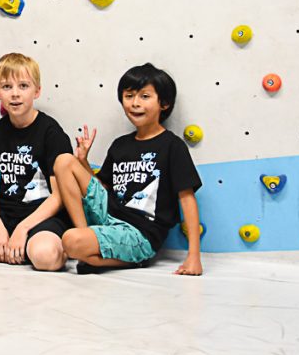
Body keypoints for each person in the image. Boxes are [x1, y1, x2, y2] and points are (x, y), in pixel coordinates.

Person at [53, 63, 204, 275]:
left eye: (144, 96)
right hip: (108, 216)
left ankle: (120, 256)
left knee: (70, 241)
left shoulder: (172, 146)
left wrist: (194, 257)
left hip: (140, 233)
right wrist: (83, 161)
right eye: (129, 96)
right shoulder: (120, 145)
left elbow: (187, 199)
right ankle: (85, 236)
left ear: (164, 103)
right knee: (63, 161)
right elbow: (100, 189)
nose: (135, 103)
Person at [0, 54, 72, 271]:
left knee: (45, 256)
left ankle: (28, 246)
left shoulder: (51, 132)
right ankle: (7, 246)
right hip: (6, 212)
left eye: (23, 86)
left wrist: (24, 228)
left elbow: (59, 196)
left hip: (42, 214)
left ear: (37, 91)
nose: (15, 94)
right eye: (7, 86)